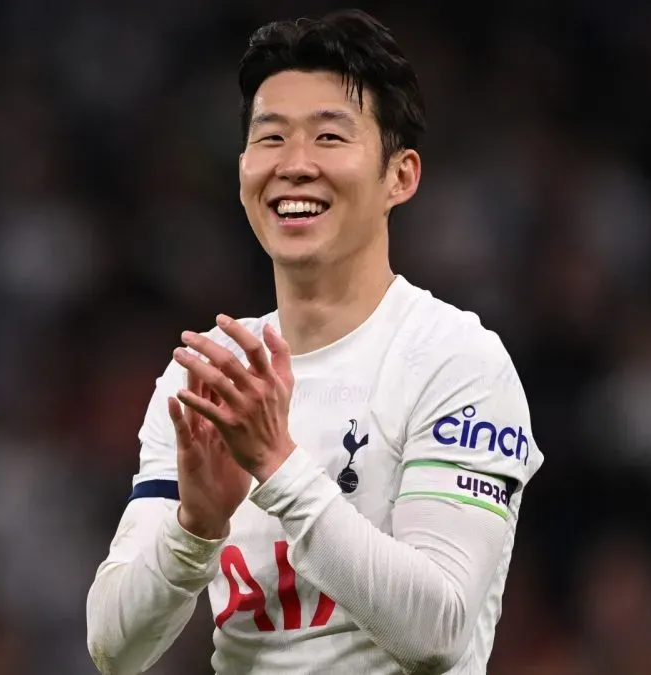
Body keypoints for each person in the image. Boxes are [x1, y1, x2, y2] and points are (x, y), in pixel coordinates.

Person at [85, 9, 544, 674]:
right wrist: (194, 529)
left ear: (400, 176)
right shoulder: (207, 377)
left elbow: (438, 628)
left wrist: (277, 465)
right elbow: (112, 647)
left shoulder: (457, 363)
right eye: (270, 139)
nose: (295, 165)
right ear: (243, 169)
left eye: (330, 137)